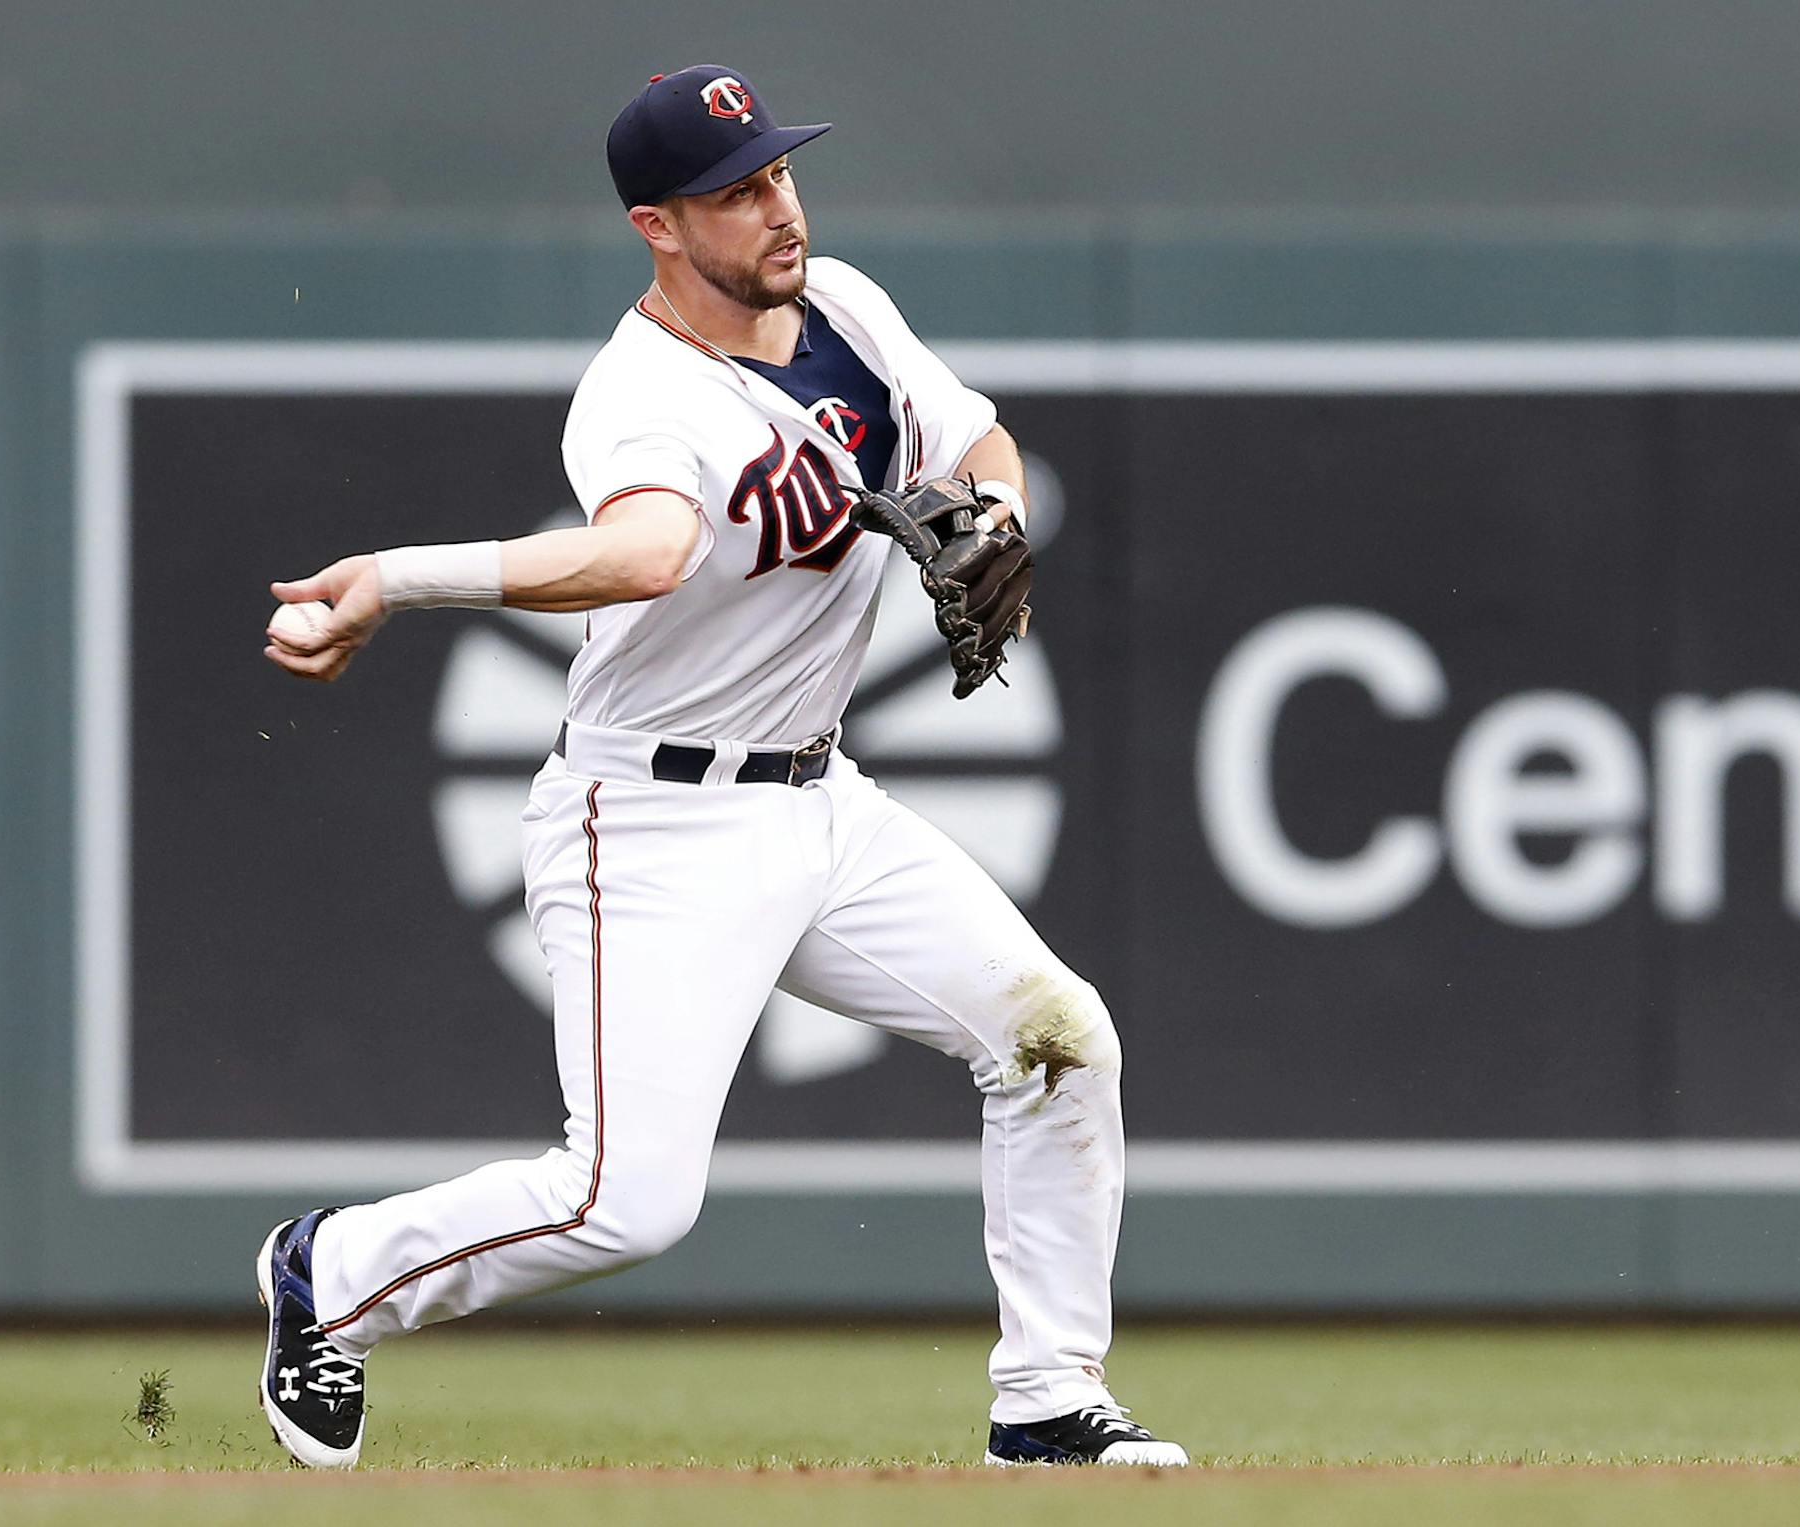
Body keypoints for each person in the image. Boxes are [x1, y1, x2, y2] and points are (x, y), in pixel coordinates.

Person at [253, 64, 1184, 1471]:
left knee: (1058, 1044)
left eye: (780, 175)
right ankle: (332, 1275)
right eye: (734, 193)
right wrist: (397, 576)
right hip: (650, 820)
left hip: (823, 804)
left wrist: (988, 504)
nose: (776, 209)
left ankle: (1048, 1398)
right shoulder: (638, 396)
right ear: (657, 227)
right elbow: (645, 551)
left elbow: (978, 436)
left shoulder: (845, 309)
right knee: (626, 1204)